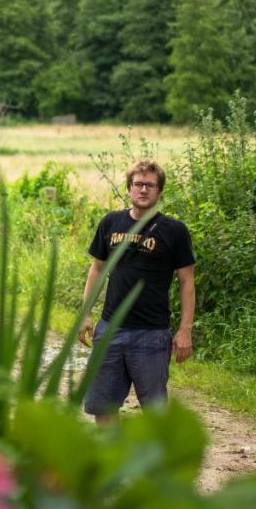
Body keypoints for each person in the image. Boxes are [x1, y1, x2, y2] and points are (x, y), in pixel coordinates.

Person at [79, 159, 196, 424]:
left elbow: (187, 282)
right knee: (102, 407)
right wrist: (86, 313)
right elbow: (97, 269)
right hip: (110, 330)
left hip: (152, 334)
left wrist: (185, 329)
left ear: (159, 191)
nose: (143, 190)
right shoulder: (111, 222)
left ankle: (154, 464)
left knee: (154, 412)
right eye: (138, 184)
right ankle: (114, 461)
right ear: (129, 188)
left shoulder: (174, 230)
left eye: (150, 185)